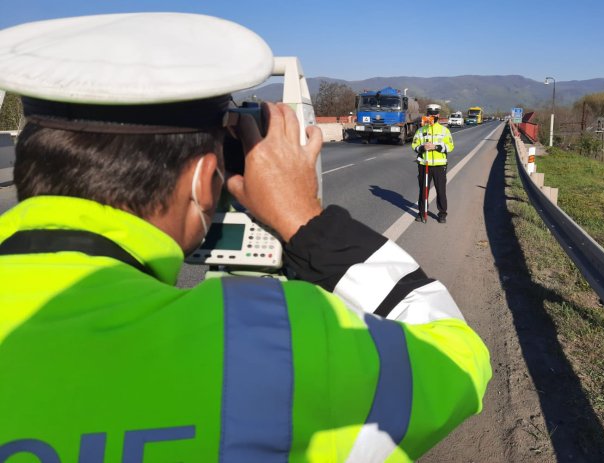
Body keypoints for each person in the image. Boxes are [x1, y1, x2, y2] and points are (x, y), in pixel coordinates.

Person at [0, 13, 491, 462]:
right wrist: (307, 222)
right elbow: (456, 361)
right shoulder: (273, 341)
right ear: (203, 179)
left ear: (28, 162)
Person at [411, 104, 455, 223]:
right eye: (430, 114)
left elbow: (450, 147)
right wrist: (422, 147)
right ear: (427, 115)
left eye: (435, 114)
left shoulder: (444, 130)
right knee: (423, 190)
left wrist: (436, 147)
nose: (432, 116)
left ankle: (442, 214)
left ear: (438, 115)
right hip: (424, 164)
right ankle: (422, 212)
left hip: (439, 166)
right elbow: (414, 145)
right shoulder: (421, 130)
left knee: (441, 190)